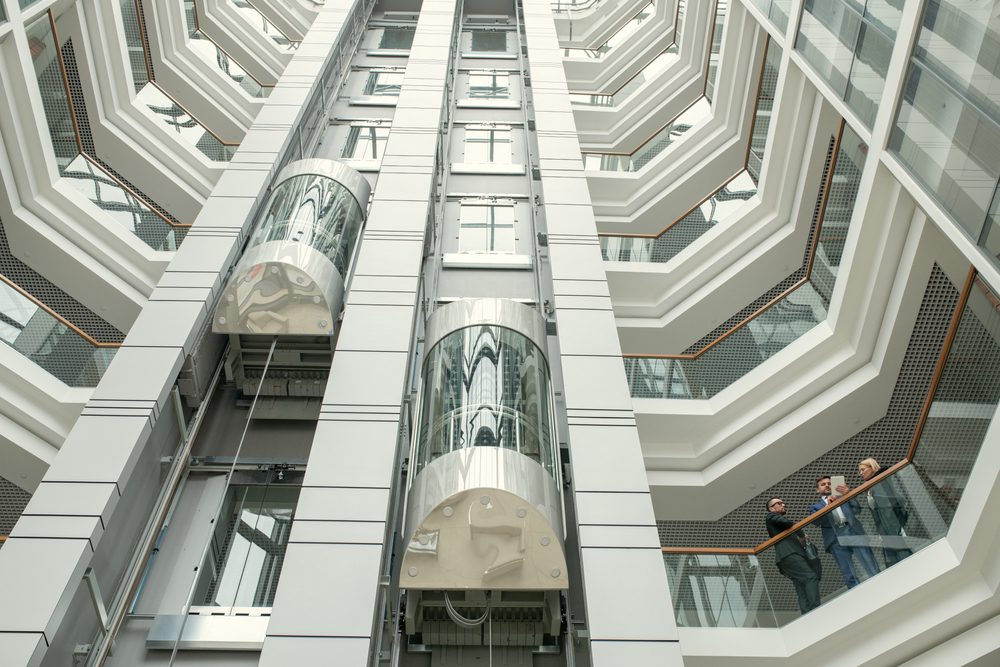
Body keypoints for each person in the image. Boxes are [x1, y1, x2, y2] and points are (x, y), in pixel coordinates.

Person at [810, 476, 879, 588]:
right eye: (823, 484)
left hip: (853, 532)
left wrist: (848, 494)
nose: (827, 485)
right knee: (848, 571)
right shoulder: (815, 506)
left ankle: (880, 583)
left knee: (869, 562)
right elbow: (817, 522)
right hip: (835, 539)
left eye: (829, 483)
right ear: (818, 490)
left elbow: (857, 509)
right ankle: (857, 594)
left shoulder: (843, 497)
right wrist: (828, 506)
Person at [765, 497, 820, 614]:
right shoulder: (770, 516)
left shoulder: (777, 522)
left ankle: (807, 613)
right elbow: (787, 523)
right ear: (771, 508)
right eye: (778, 503)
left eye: (782, 502)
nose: (783, 504)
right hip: (789, 554)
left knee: (800, 585)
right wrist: (801, 534)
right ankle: (816, 609)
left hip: (787, 557)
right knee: (811, 577)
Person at [857, 458, 912, 566]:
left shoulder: (880, 481)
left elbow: (887, 506)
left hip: (891, 525)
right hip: (885, 527)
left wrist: (892, 529)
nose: (861, 473)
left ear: (872, 467)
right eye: (860, 471)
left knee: (901, 553)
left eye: (863, 470)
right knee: (893, 557)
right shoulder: (872, 486)